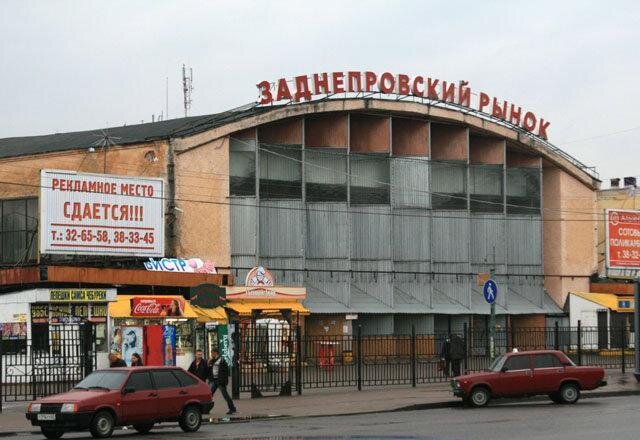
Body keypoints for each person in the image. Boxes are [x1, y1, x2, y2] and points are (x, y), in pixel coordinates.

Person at [208, 348, 236, 415]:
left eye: (212, 353)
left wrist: (225, 381)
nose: (211, 354)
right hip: (214, 380)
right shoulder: (213, 360)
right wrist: (209, 362)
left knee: (225, 395)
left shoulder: (222, 360)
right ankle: (206, 409)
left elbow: (226, 372)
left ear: (215, 353)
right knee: (210, 394)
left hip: (220, 381)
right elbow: (210, 369)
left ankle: (232, 408)